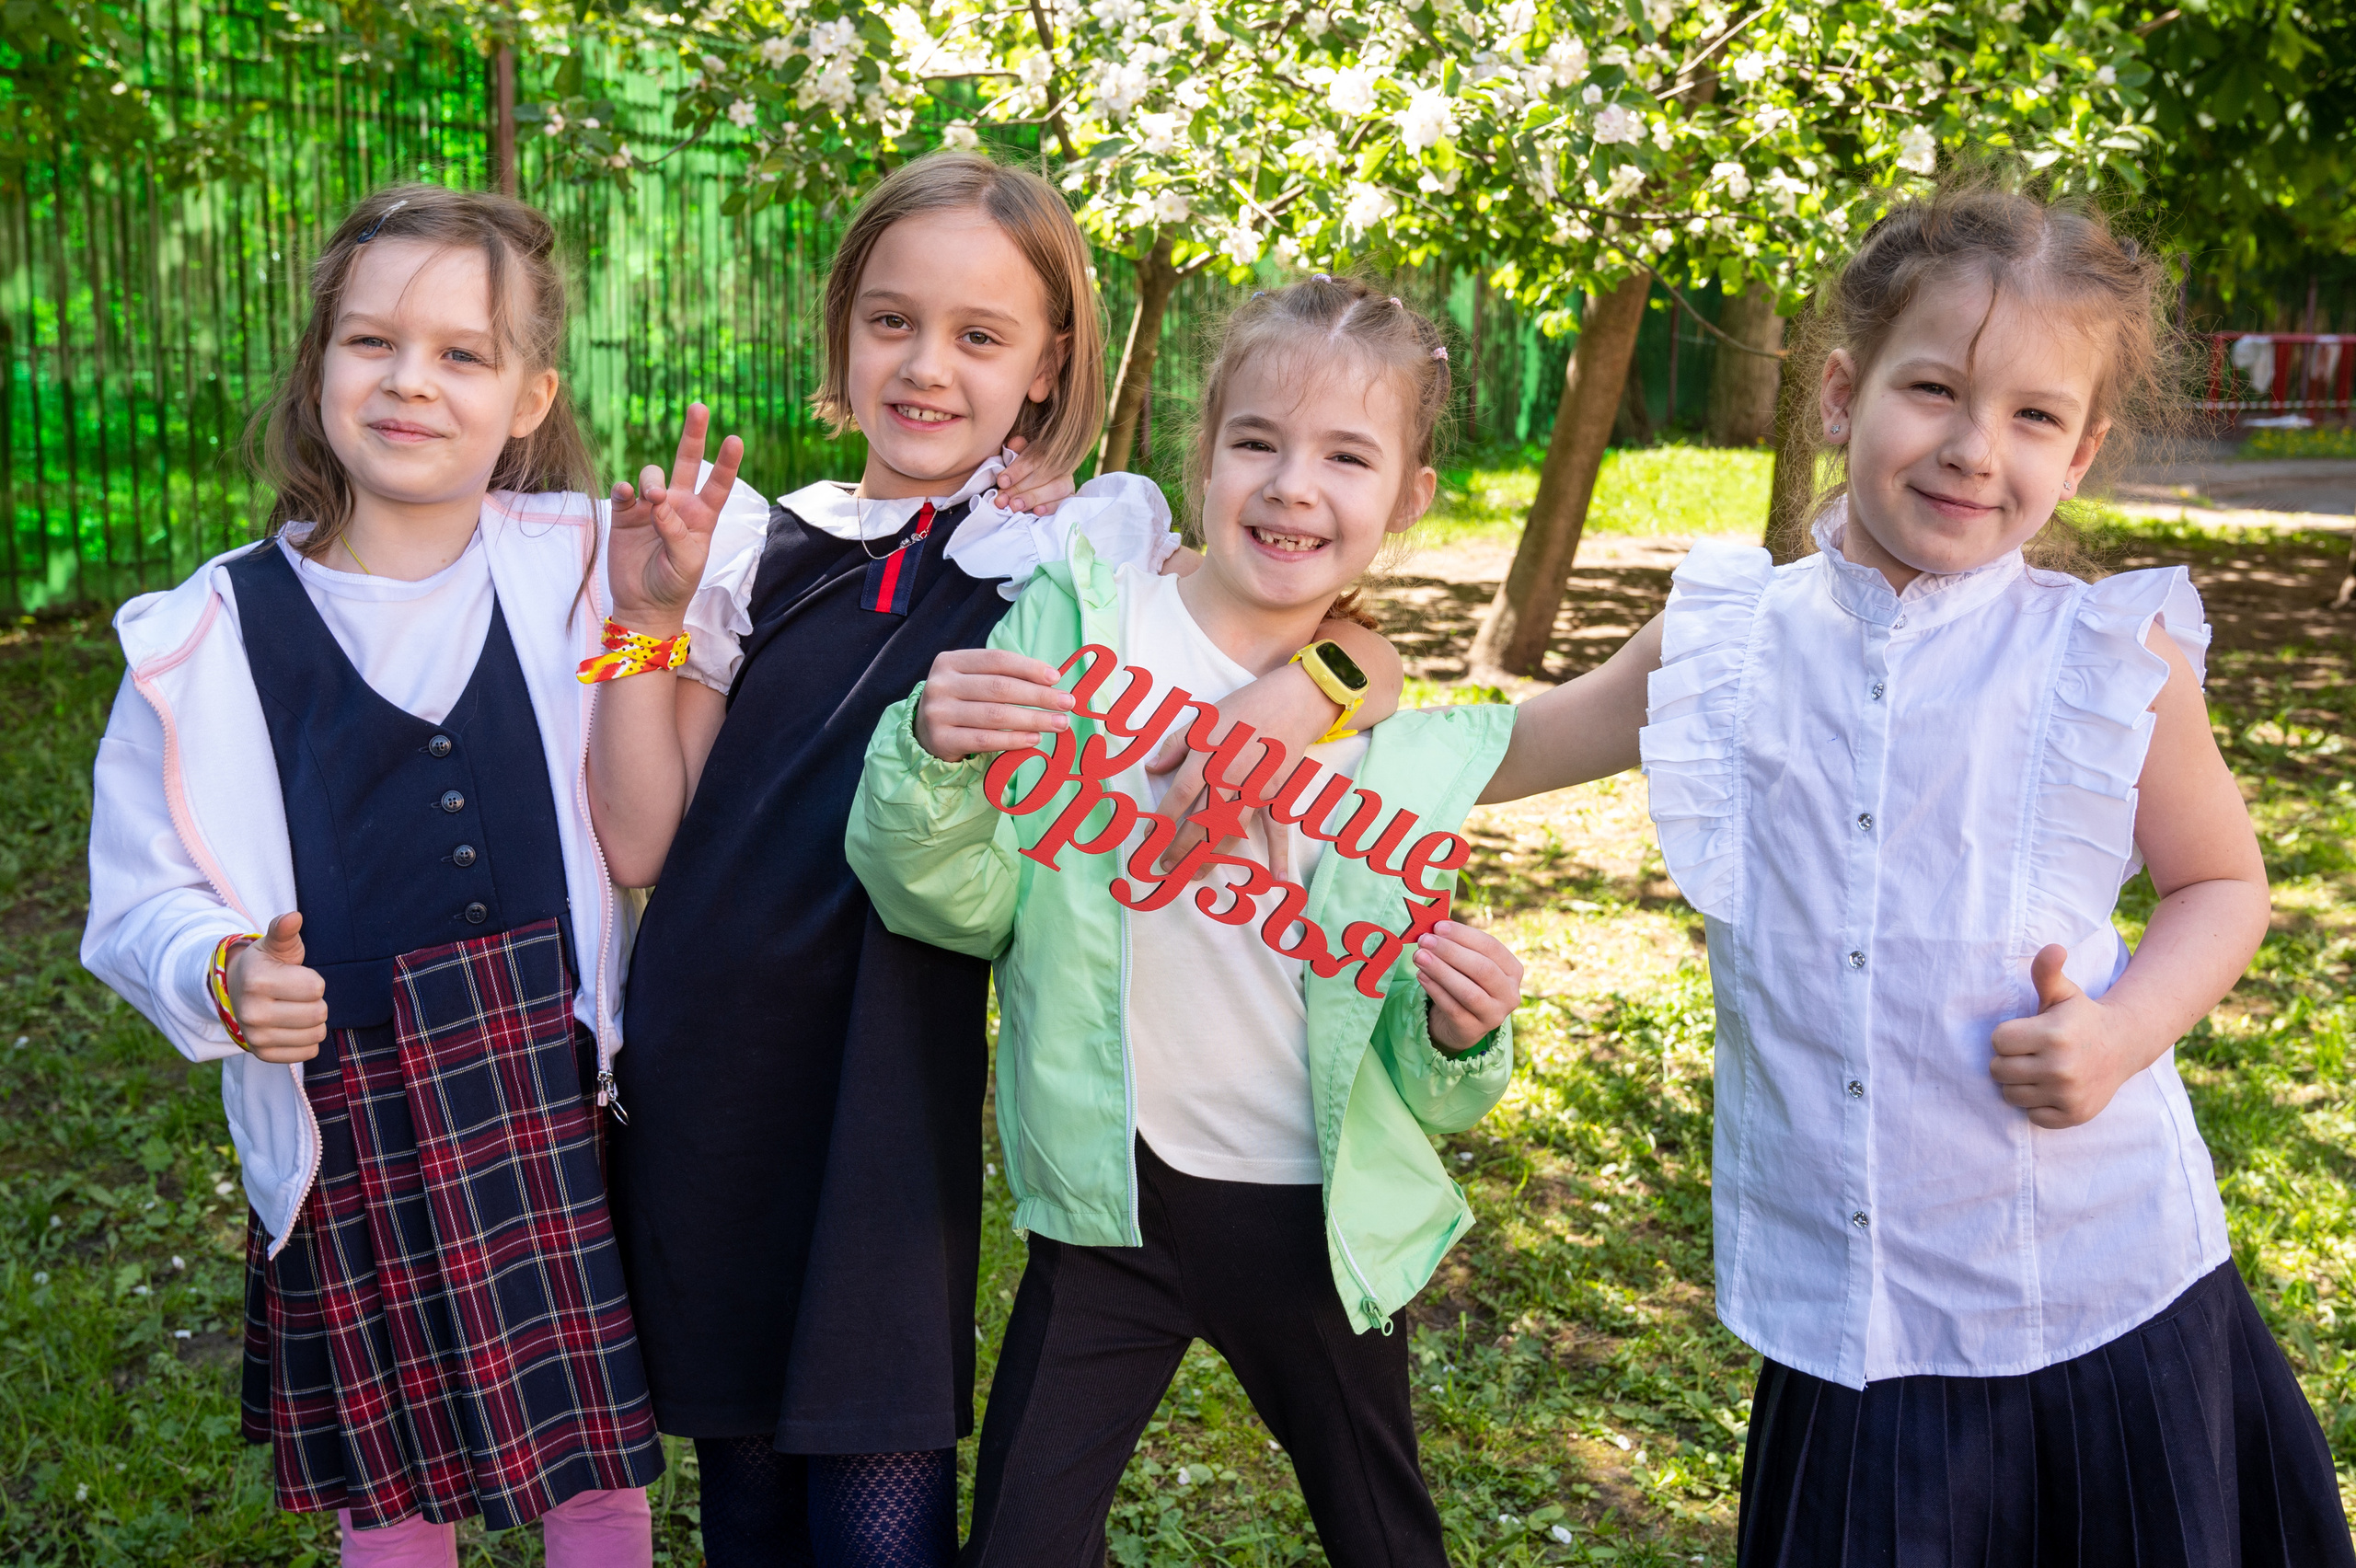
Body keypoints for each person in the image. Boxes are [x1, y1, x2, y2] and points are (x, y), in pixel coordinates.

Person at [1479, 181, 2355, 1563]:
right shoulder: (1728, 640)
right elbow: (1514, 745)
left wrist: (2123, 1031)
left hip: (2100, 1292)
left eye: (2033, 417)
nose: (1971, 448)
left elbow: (2223, 887)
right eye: (1934, 388)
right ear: (1842, 394)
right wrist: (1298, 718)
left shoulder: (2107, 658)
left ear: (2082, 454)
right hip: (1858, 1323)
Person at [583, 153, 1404, 1568]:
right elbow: (647, 837)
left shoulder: (1071, 554)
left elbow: (1319, 628)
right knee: (748, 1503)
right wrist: (640, 626)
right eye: (892, 322)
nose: (926, 366)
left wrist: (1320, 686)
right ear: (845, 330)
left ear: (1049, 364)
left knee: (881, 1492)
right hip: (711, 1074)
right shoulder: (757, 547)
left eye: (980, 335)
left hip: (890, 1084)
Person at [847, 275, 1523, 1567]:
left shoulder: (1389, 740)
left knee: (1386, 1538)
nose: (1292, 487)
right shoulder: (1082, 627)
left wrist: (1461, 1031)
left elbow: (1408, 1051)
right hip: (1112, 1205)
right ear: (1202, 451)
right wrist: (932, 758)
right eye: (1257, 441)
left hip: (1311, 1215)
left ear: (1411, 496)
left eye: (1348, 457)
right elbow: (960, 901)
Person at [82, 186, 666, 1566]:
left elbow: (776, 577)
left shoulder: (588, 563)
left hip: (546, 1083)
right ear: (319, 367)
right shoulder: (205, 633)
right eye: (372, 342)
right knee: (389, 1489)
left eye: (463, 353)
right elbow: (140, 896)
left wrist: (1017, 502)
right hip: (352, 1106)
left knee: (594, 1467)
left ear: (529, 399)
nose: (411, 381)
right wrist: (222, 974)